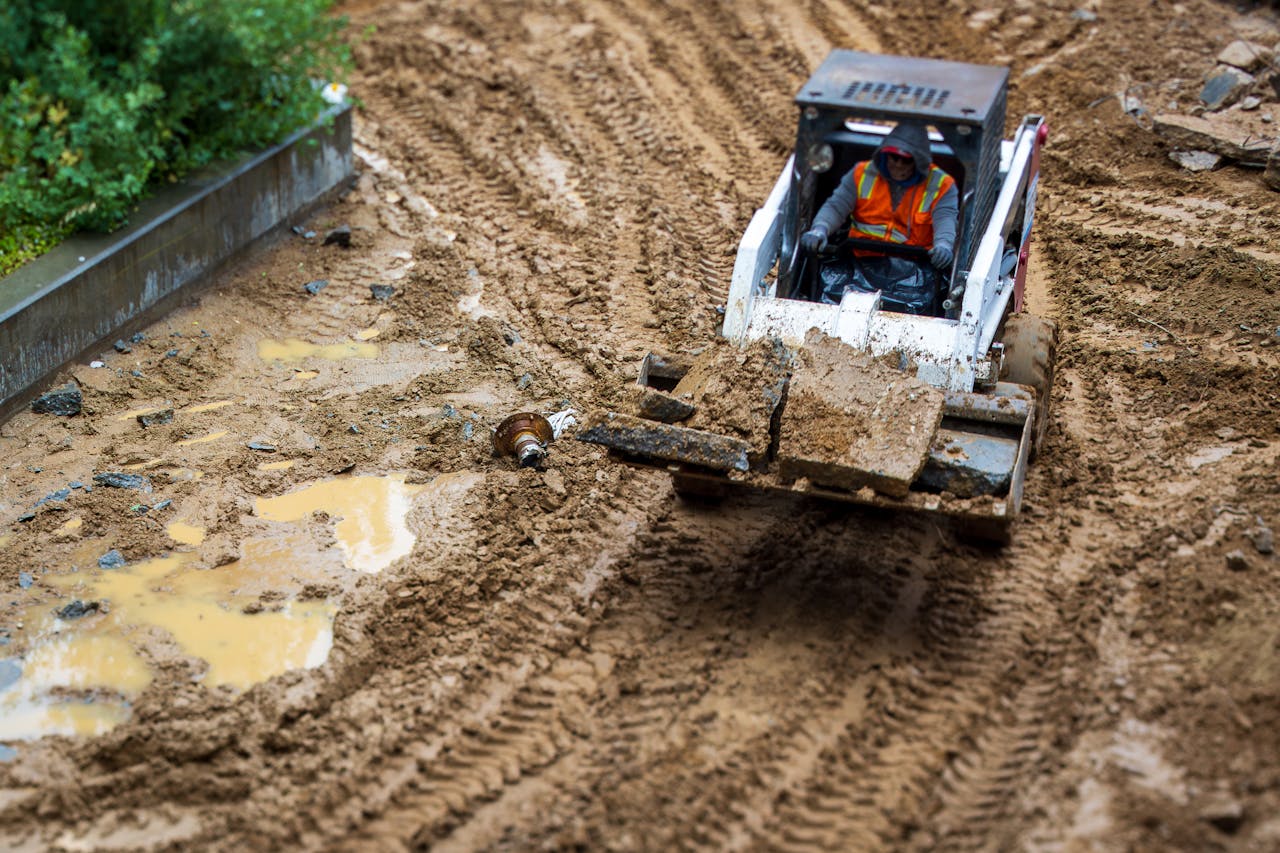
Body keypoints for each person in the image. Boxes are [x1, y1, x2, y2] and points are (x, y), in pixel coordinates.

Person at [799, 122, 958, 313]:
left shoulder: (941, 185)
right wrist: (820, 229)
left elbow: (945, 219)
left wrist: (943, 245)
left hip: (914, 271)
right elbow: (836, 206)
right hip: (860, 260)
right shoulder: (862, 173)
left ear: (919, 162)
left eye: (905, 160)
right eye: (893, 157)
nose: (898, 165)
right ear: (884, 154)